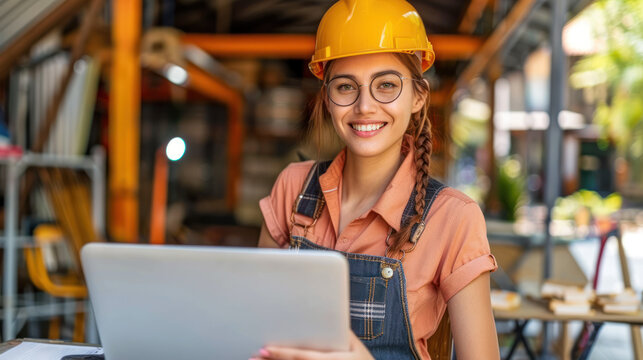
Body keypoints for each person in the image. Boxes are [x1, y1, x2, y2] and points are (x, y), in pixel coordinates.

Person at [254, 0, 500, 359]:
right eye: (345, 87)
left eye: (386, 85)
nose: (365, 106)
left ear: (418, 97)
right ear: (327, 98)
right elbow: (255, 323)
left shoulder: (453, 218)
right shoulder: (292, 188)